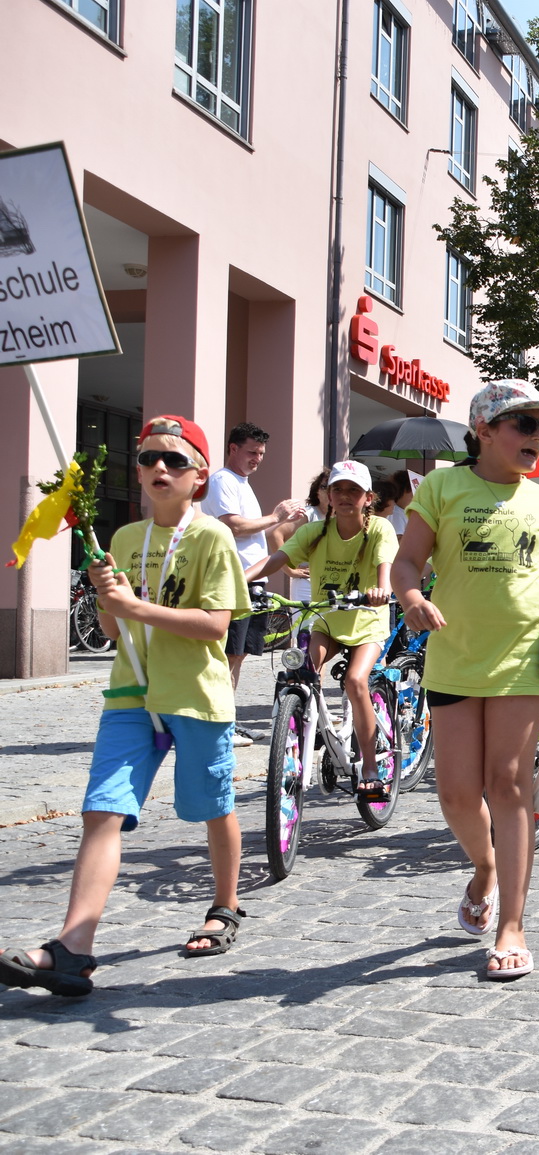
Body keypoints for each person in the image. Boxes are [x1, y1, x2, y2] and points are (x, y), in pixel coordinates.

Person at [0, 417, 249, 997]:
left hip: (195, 695)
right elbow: (114, 631)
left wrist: (134, 607)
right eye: (148, 459)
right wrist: (105, 593)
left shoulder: (212, 537)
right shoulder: (123, 538)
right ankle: (73, 947)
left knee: (212, 808)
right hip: (130, 693)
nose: (160, 467)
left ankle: (225, 905)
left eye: (175, 460)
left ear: (199, 477)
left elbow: (215, 625)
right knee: (102, 811)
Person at [393, 380, 539, 981]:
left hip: (523, 657)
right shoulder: (443, 487)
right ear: (485, 430)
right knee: (455, 794)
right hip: (454, 655)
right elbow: (407, 562)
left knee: (508, 785)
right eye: (525, 424)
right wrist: (412, 598)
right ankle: (485, 867)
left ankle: (513, 927)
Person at [246, 461, 397, 795]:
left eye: (354, 490)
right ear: (327, 495)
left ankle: (370, 766)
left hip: (367, 623)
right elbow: (276, 559)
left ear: (368, 498)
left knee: (355, 681)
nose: (344, 496)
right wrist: (239, 581)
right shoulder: (314, 532)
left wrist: (381, 590)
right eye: (337, 489)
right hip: (328, 622)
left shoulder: (380, 529)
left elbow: (385, 564)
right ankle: (300, 740)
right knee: (301, 673)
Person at [202, 422, 304, 744]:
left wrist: (281, 523)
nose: (257, 459)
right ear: (233, 448)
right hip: (232, 581)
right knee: (227, 654)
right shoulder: (222, 480)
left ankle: (226, 723)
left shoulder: (242, 483)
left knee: (238, 654)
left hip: (251, 581)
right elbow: (233, 526)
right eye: (252, 452)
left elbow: (249, 532)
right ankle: (217, 726)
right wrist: (276, 517)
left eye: (261, 454)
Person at [272, 470, 330, 605]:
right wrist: (289, 570)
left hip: (332, 580)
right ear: (317, 491)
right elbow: (275, 534)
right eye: (324, 487)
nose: (328, 492)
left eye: (334, 487)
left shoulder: (341, 518)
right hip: (307, 583)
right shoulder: (308, 514)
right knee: (306, 619)